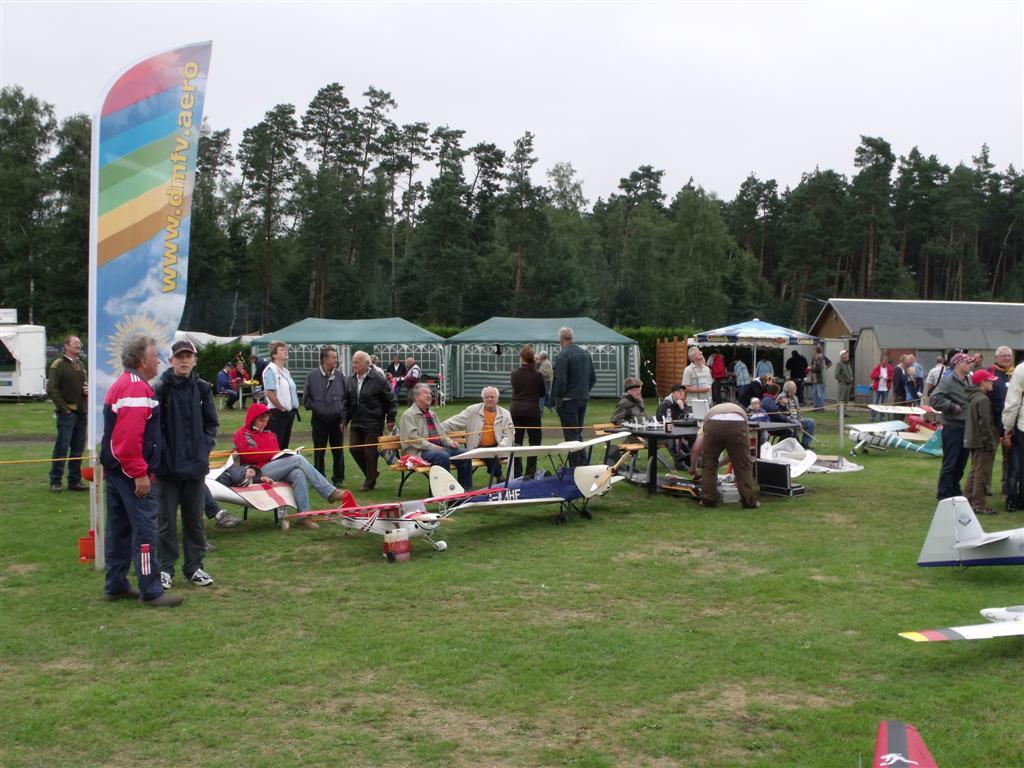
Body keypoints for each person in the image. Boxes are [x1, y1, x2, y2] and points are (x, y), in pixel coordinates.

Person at [100, 335, 181, 606]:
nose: (159, 361)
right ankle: (151, 590)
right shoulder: (136, 389)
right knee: (145, 532)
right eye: (155, 356)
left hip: (116, 471)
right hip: (130, 474)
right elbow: (128, 438)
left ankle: (116, 584)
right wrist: (139, 473)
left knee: (119, 530)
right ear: (142, 360)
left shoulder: (124, 384)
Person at [154, 340, 218, 590]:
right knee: (166, 522)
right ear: (171, 360)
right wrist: (163, 454)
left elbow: (211, 424)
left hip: (195, 468)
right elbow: (154, 427)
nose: (184, 361)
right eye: (179, 356)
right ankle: (165, 569)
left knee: (194, 521)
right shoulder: (161, 388)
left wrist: (204, 448)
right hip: (167, 469)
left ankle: (194, 567)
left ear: (195, 360)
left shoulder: (203, 389)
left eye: (188, 356)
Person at [233, 402, 344, 528]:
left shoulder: (269, 434)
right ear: (252, 419)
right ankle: (329, 492)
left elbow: (273, 452)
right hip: (257, 472)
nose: (264, 423)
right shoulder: (242, 434)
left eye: (266, 421)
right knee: (298, 459)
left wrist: (280, 454)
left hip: (273, 468)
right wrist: (276, 454)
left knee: (298, 473)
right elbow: (251, 455)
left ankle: (304, 516)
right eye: (261, 420)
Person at [399, 383, 474, 489]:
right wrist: (434, 447)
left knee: (465, 454)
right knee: (442, 456)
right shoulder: (408, 415)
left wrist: (450, 443)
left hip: (438, 449)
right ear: (416, 396)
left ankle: (465, 491)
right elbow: (413, 439)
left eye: (430, 393)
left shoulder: (432, 414)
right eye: (425, 393)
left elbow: (441, 433)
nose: (429, 395)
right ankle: (441, 492)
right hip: (418, 452)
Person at [690, 401, 760, 509]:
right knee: (743, 466)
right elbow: (741, 452)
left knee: (709, 465)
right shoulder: (741, 413)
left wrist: (693, 468)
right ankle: (748, 502)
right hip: (738, 424)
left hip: (713, 424)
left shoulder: (710, 414)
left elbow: (695, 449)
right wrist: (745, 456)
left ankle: (708, 500)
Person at [344, 350, 397, 491]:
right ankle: (372, 473)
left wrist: (391, 418)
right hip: (356, 421)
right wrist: (344, 420)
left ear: (367, 364)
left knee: (370, 452)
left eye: (357, 362)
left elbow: (391, 400)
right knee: (354, 449)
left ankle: (369, 482)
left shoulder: (378, 379)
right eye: (353, 362)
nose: (354, 365)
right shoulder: (350, 379)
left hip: (373, 422)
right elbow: (347, 402)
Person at [442, 386, 515, 483]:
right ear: (483, 399)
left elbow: (509, 434)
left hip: (499, 447)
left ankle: (516, 482)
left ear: (497, 399)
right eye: (487, 397)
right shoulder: (472, 410)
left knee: (516, 452)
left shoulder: (506, 414)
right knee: (488, 453)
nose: (489, 399)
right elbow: (454, 422)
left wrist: (501, 446)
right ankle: (500, 477)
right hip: (478, 447)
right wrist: (437, 428)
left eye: (492, 397)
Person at [930, 352, 974, 500]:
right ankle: (944, 493)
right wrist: (952, 407)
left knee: (961, 463)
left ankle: (955, 489)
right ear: (958, 364)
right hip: (953, 427)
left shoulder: (969, 379)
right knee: (950, 462)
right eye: (967, 362)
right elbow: (934, 399)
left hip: (967, 427)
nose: (970, 365)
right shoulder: (948, 380)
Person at [47, 334, 89, 492]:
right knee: (62, 448)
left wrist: (87, 390)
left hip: (82, 413)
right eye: (75, 343)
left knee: (78, 449)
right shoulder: (58, 364)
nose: (79, 345)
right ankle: (55, 481)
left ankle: (74, 481)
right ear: (66, 346)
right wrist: (64, 409)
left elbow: (84, 384)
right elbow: (52, 389)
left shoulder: (81, 364)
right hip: (67, 414)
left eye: (79, 343)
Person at [551, 326, 596, 466]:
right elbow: (593, 378)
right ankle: (583, 464)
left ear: (561, 340)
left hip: (568, 401)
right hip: (582, 399)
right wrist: (584, 391)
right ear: (572, 338)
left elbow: (560, 381)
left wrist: (558, 397)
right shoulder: (585, 354)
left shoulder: (563, 355)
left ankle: (575, 468)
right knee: (577, 434)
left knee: (571, 436)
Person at [303, 346, 347, 487]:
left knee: (338, 450)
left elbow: (346, 399)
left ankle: (338, 479)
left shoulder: (340, 376)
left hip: (337, 421)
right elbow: (306, 400)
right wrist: (319, 408)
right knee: (319, 451)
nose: (336, 360)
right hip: (319, 420)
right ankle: (319, 478)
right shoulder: (312, 376)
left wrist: (343, 418)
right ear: (324, 359)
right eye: (333, 357)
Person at [509, 346, 547, 479]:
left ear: (522, 358)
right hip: (532, 411)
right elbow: (542, 393)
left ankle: (517, 472)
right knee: (534, 442)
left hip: (516, 410)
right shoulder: (537, 375)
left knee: (517, 441)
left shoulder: (514, 373)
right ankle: (530, 472)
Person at [964, 369, 998, 514]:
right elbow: (984, 424)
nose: (992, 383)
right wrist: (990, 443)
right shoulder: (983, 399)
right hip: (981, 441)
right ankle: (979, 505)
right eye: (990, 381)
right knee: (981, 473)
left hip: (973, 439)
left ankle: (967, 501)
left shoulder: (973, 397)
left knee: (974, 471)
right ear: (982, 382)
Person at [262, 341, 298, 449]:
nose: (285, 351)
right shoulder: (271, 370)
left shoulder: (286, 371)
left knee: (284, 445)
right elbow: (269, 392)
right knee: (277, 445)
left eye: (286, 349)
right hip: (277, 413)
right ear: (274, 355)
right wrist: (280, 407)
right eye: (282, 350)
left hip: (289, 413)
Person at [989, 346, 1014, 499]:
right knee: (989, 456)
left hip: (1009, 424)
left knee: (1009, 458)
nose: (1007, 358)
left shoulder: (1013, 374)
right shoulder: (991, 372)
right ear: (997, 357)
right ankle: (985, 487)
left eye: (1009, 356)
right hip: (992, 422)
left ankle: (1006, 487)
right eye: (1004, 355)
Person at [1001, 361, 1024, 513]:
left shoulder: (1021, 369)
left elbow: (1013, 402)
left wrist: (1007, 428)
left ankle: (1012, 499)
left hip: (1021, 426)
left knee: (1015, 466)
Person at [777, 380, 816, 449]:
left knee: (811, 422)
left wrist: (799, 416)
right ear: (788, 389)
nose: (796, 389)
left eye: (795, 388)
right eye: (794, 388)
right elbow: (785, 413)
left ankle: (805, 443)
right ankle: (795, 446)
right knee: (794, 424)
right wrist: (796, 421)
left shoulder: (795, 397)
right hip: (788, 420)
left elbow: (797, 410)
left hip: (797, 419)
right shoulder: (782, 397)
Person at [869, 354, 894, 420]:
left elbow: (892, 377)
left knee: (884, 404)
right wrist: (878, 375)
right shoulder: (877, 367)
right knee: (875, 403)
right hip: (877, 388)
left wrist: (888, 378)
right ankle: (872, 417)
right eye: (883, 362)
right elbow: (872, 376)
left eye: (886, 362)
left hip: (885, 389)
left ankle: (882, 417)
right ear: (881, 361)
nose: (884, 364)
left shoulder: (890, 368)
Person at [807, 347, 831, 411]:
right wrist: (811, 371)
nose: (813, 352)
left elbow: (820, 368)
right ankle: (816, 407)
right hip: (814, 379)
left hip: (820, 379)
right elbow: (812, 365)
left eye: (814, 350)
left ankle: (821, 408)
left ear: (817, 351)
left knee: (820, 394)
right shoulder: (814, 357)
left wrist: (825, 369)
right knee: (814, 393)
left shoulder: (822, 358)